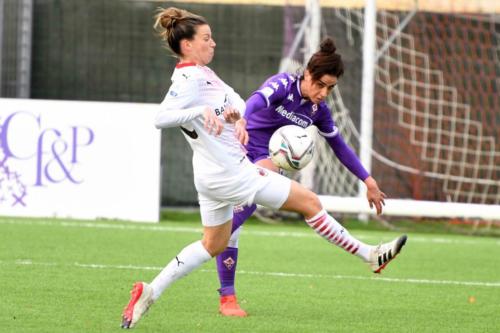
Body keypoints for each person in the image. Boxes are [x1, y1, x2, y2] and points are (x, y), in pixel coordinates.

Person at [120, 7, 407, 329]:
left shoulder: (205, 76)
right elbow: (161, 117)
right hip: (234, 173)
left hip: (211, 177)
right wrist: (202, 111)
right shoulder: (189, 79)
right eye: (206, 38)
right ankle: (369, 255)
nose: (213, 43)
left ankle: (151, 290)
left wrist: (231, 116)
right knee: (310, 202)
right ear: (187, 45)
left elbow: (239, 107)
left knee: (212, 244)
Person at [215, 38, 391, 317]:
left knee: (234, 224)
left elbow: (340, 147)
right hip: (237, 147)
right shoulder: (284, 84)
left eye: (330, 88)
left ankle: (227, 297)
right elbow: (258, 99)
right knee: (230, 228)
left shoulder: (319, 112)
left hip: (266, 159)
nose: (324, 92)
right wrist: (242, 119)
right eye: (320, 84)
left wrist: (367, 180)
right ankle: (214, 265)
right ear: (308, 74)